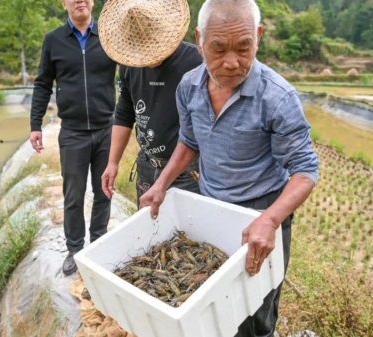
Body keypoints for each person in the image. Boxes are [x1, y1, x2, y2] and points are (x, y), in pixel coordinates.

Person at [138, 0, 319, 335]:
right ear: (200, 39)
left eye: (243, 48)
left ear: (258, 38)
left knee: (257, 309)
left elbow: (305, 170)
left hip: (262, 213)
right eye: (218, 49)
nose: (232, 63)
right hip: (212, 207)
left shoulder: (277, 98)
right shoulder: (189, 86)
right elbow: (190, 142)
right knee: (218, 305)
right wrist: (161, 184)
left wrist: (270, 219)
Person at [29, 0, 116, 276]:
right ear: (64, 3)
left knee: (104, 191)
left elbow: (130, 72)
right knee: (73, 195)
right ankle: (75, 249)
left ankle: (99, 243)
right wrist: (36, 124)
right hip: (73, 132)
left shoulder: (110, 36)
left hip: (106, 129)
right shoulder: (53, 40)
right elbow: (43, 83)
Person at [97, 0, 202, 205]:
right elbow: (124, 113)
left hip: (189, 171)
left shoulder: (196, 62)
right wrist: (112, 163)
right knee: (149, 233)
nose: (147, 59)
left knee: (190, 234)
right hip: (147, 166)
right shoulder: (129, 63)